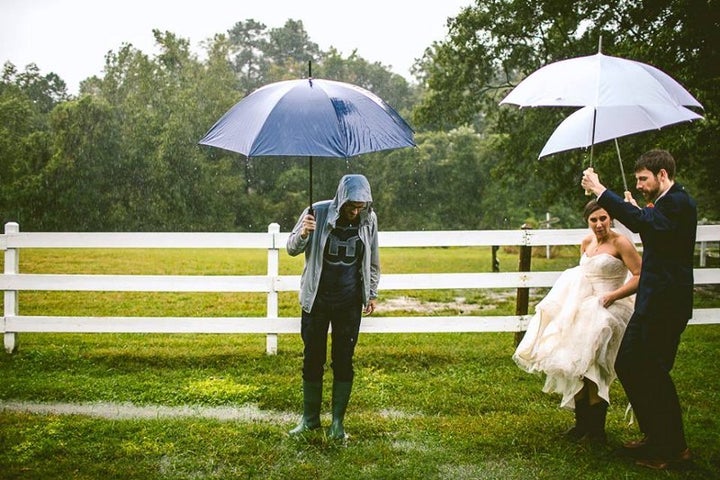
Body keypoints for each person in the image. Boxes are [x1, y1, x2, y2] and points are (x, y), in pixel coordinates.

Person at [582, 149, 696, 470]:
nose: (641, 185)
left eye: (643, 179)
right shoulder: (665, 205)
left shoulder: (679, 202)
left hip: (666, 303)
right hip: (653, 301)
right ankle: (655, 435)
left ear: (662, 175)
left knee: (652, 372)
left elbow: (652, 226)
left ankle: (673, 449)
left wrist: (600, 189)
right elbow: (654, 230)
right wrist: (636, 211)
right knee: (629, 363)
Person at [514, 200, 641, 443]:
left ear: (610, 218)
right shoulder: (587, 242)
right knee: (577, 364)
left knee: (596, 366)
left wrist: (613, 296)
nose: (599, 224)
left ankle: (597, 430)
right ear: (587, 222)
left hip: (610, 307)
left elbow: (639, 275)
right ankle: (581, 424)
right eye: (593, 220)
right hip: (583, 306)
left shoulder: (620, 242)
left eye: (603, 218)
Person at [286, 174, 380, 440]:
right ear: (341, 199)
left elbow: (372, 258)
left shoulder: (368, 220)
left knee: (343, 360)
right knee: (313, 358)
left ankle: (337, 424)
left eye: (360, 206)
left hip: (349, 301)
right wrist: (304, 232)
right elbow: (291, 248)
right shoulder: (316, 212)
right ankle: (310, 420)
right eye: (351, 206)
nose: (354, 212)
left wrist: (371, 293)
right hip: (316, 299)